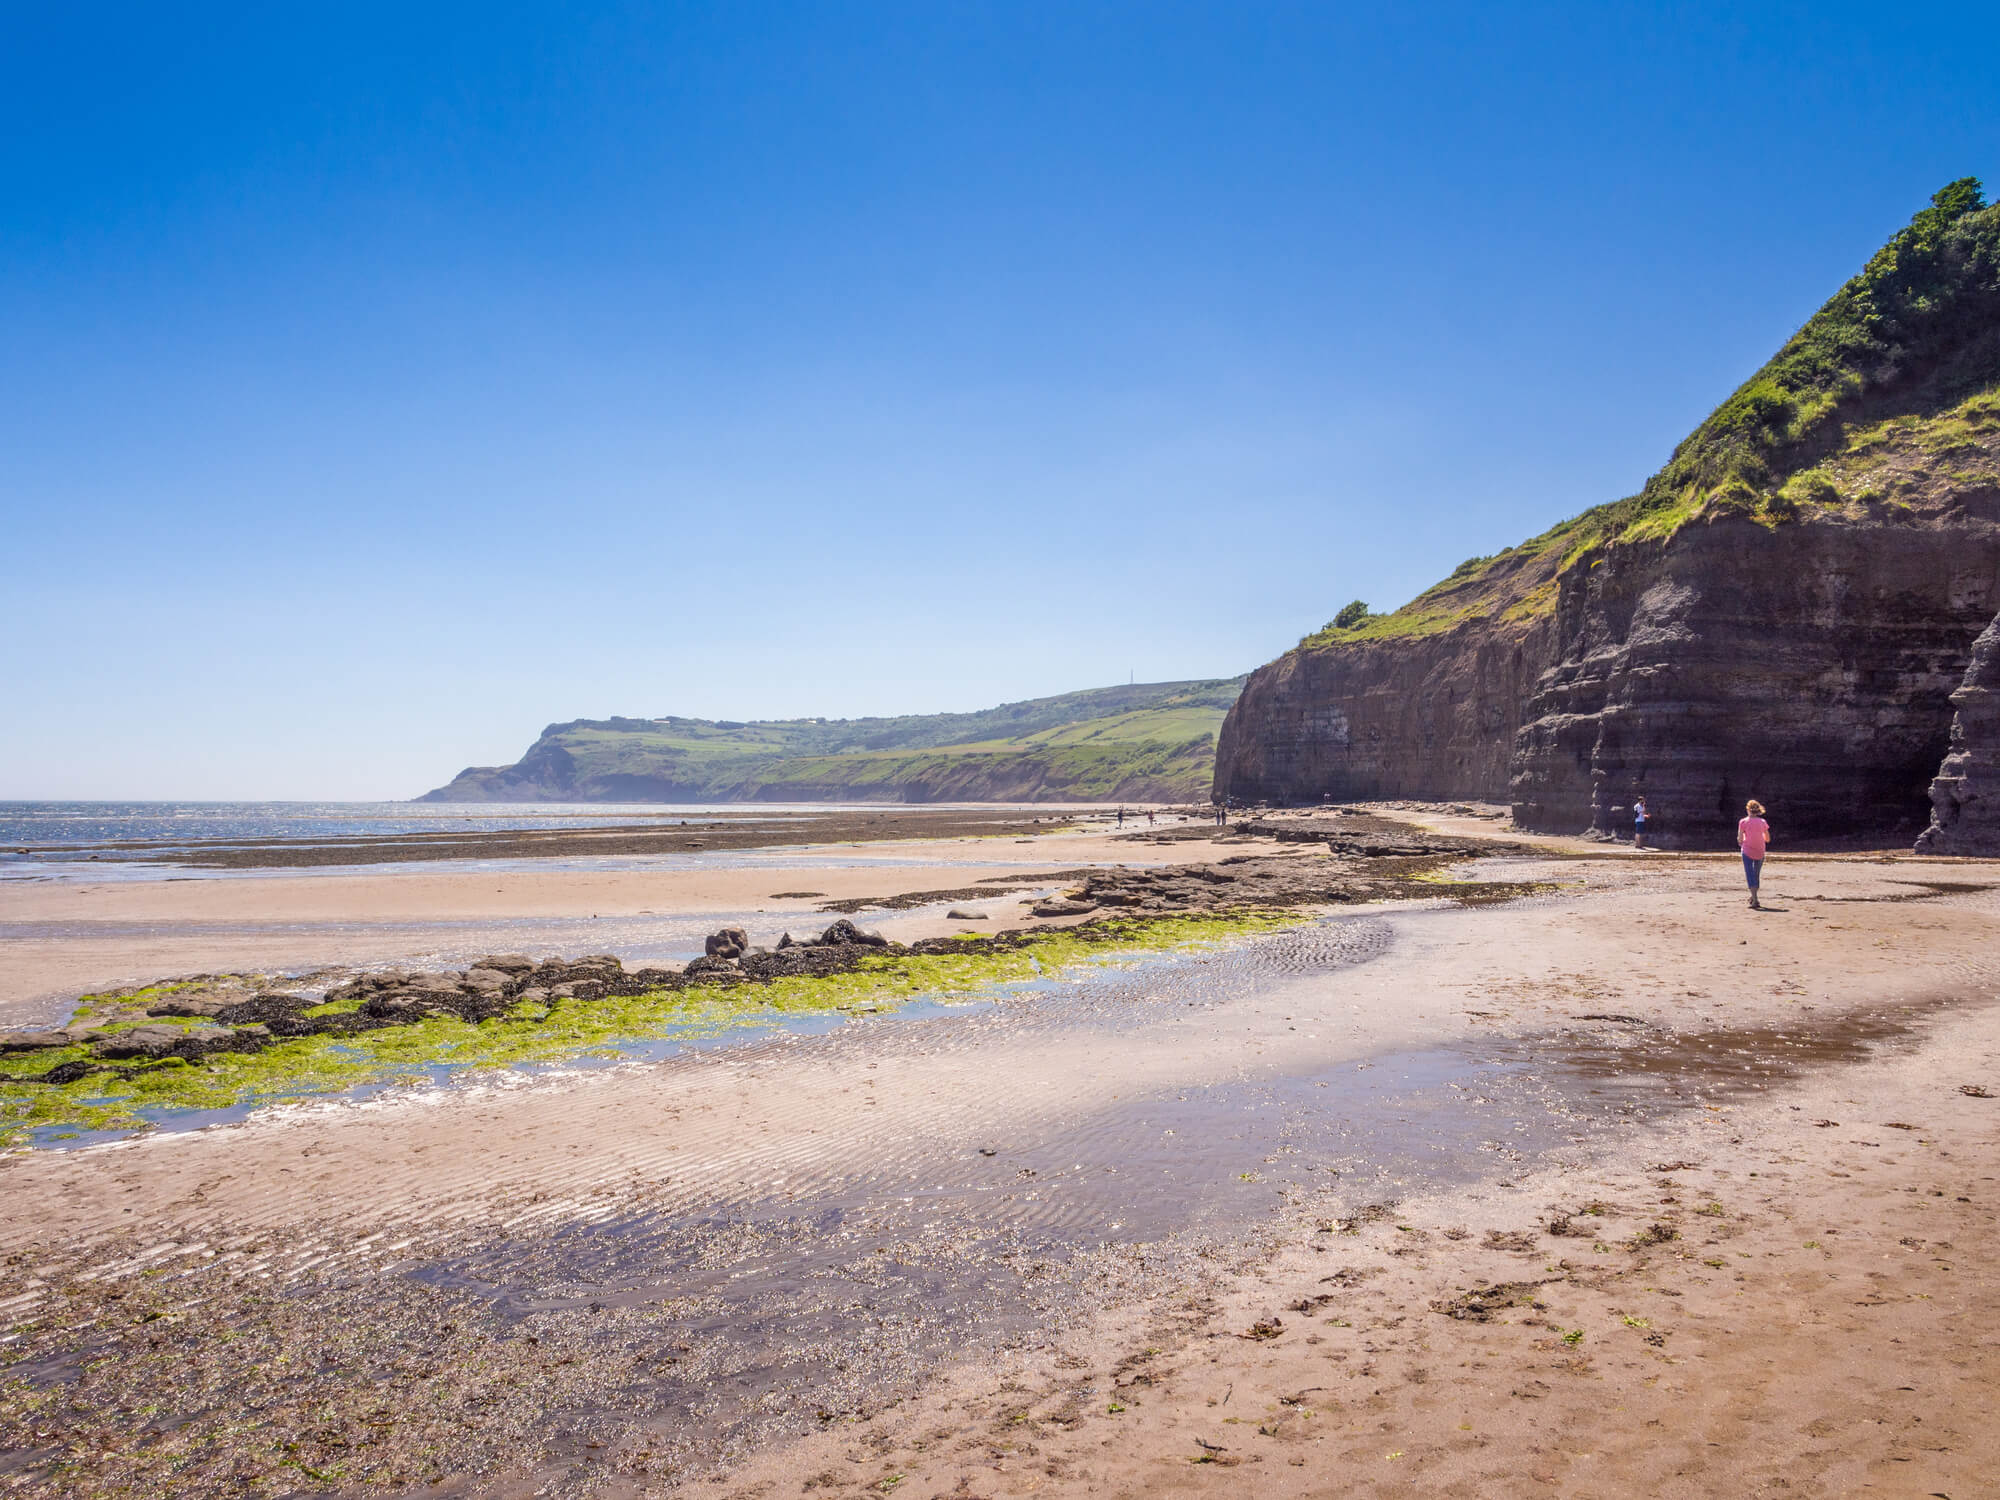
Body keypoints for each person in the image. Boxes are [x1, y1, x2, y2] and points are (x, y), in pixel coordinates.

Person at [1737, 799, 1770, 909]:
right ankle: (1753, 896)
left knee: (1749, 874)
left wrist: (1742, 842)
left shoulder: (1743, 822)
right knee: (1756, 874)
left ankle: (1755, 900)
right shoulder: (1763, 822)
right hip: (1760, 850)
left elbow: (1740, 839)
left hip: (1747, 850)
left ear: (1748, 810)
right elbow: (1768, 839)